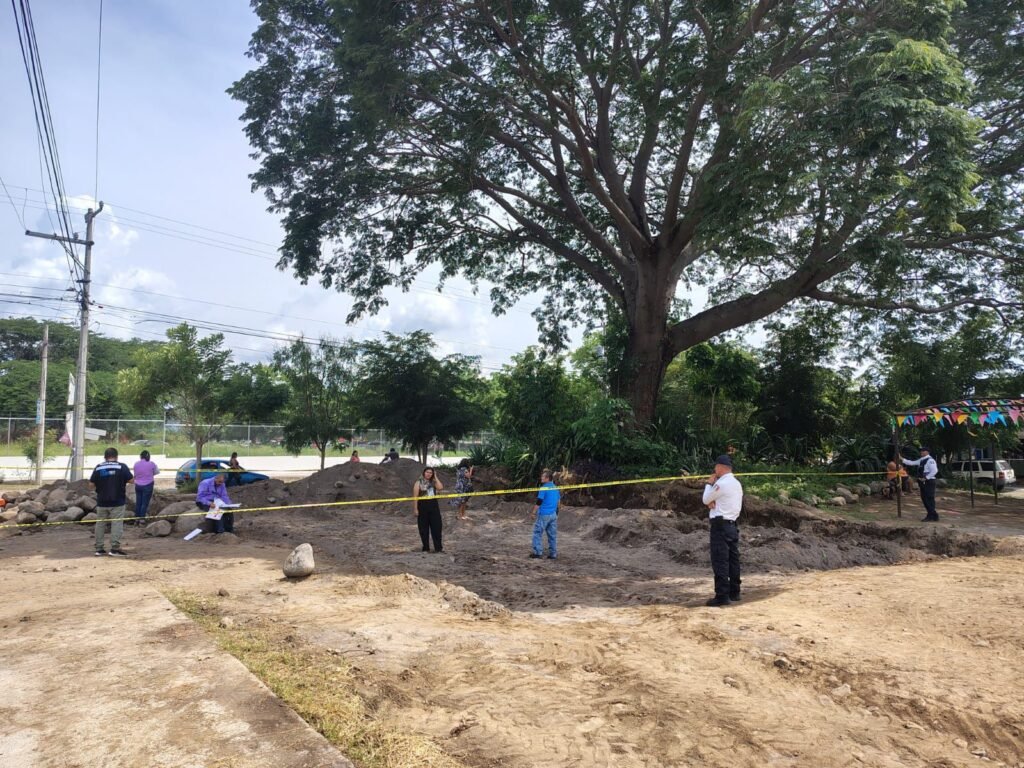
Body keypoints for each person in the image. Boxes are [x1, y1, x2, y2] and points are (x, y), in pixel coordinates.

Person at [702, 454, 743, 607]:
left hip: (720, 526)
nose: (714, 470)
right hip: (732, 524)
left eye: (715, 467)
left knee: (720, 560)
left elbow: (706, 499)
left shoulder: (722, 483)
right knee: (733, 559)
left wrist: (709, 484)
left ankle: (722, 595)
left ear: (720, 467)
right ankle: (734, 592)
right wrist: (713, 502)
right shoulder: (736, 483)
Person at [89, 447, 135, 557]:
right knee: (116, 524)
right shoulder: (122, 467)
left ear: (105, 457)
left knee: (100, 524)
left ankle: (99, 549)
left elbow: (91, 485)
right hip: (117, 501)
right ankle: (114, 549)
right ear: (117, 456)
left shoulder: (99, 467)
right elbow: (131, 480)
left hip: (102, 501)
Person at [901, 447, 939, 522]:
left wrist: (926, 478)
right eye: (921, 451)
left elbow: (934, 470)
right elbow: (912, 463)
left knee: (928, 499)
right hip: (923, 482)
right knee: (925, 499)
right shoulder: (922, 460)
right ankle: (933, 515)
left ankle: (931, 516)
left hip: (929, 482)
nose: (921, 452)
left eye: (923, 451)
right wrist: (902, 459)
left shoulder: (930, 460)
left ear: (927, 452)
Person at [530, 469, 560, 560]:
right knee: (552, 535)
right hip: (553, 514)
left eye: (543, 477)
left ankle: (538, 553)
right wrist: (556, 513)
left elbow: (539, 501)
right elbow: (558, 502)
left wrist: (533, 512)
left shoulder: (544, 488)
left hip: (544, 514)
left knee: (537, 533)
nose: (541, 478)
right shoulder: (555, 488)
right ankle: (553, 554)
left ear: (547, 478)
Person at [412, 467, 444, 553]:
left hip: (434, 506)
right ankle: (426, 548)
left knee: (437, 527)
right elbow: (415, 497)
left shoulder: (433, 482)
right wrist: (415, 509)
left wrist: (435, 477)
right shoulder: (418, 483)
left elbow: (440, 488)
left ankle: (438, 548)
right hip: (422, 507)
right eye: (427, 472)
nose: (429, 474)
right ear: (424, 473)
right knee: (423, 529)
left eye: (431, 473)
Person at [132, 450, 160, 525]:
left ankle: (136, 519)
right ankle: (142, 520)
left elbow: (135, 474)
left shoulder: (136, 464)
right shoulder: (151, 464)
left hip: (138, 485)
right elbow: (157, 472)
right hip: (148, 485)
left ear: (140, 456)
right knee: (144, 503)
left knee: (138, 502)